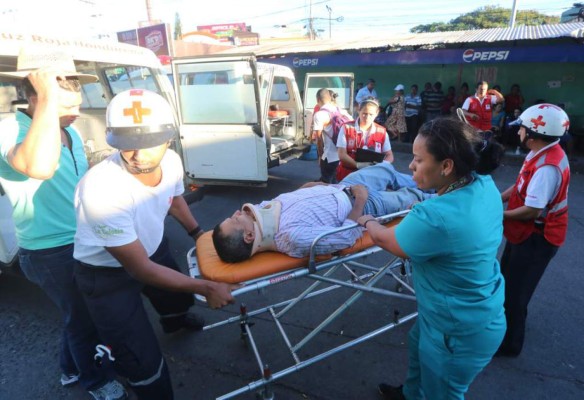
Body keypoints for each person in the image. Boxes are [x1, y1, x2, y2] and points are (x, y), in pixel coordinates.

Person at [73, 89, 239, 400]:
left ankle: (174, 321)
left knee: (176, 301)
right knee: (139, 358)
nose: (136, 155)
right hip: (105, 272)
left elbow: (173, 199)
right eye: (126, 146)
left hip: (151, 247)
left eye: (147, 145)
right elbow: (140, 269)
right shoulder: (101, 189)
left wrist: (198, 234)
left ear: (168, 139)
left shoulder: (172, 162)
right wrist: (204, 287)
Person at [0, 47, 127, 400]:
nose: (76, 114)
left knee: (78, 314)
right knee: (83, 317)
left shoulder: (66, 130)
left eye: (77, 105)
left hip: (82, 237)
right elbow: (39, 167)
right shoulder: (9, 129)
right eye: (65, 106)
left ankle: (71, 368)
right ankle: (95, 381)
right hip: (48, 249)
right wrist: (44, 100)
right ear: (34, 97)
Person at [358, 117, 507, 400]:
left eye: (417, 159)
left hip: (458, 331)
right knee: (418, 351)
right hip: (454, 313)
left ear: (446, 166)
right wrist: (427, 207)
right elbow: (448, 216)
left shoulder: (434, 217)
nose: (411, 166)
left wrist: (365, 219)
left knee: (444, 393)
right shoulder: (482, 183)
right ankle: (411, 395)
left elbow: (385, 239)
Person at [212, 162, 430, 262]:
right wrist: (361, 201)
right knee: (414, 196)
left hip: (345, 187)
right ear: (249, 236)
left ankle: (428, 181)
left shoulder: (261, 214)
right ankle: (448, 194)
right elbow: (345, 236)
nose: (236, 213)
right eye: (235, 220)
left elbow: (288, 202)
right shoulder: (291, 237)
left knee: (385, 169)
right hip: (366, 204)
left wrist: (308, 187)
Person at [498, 104, 570, 358]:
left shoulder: (547, 167)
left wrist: (497, 215)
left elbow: (532, 210)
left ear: (534, 133)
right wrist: (498, 200)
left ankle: (509, 345)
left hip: (538, 238)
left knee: (516, 293)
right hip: (526, 234)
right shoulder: (540, 153)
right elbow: (519, 186)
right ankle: (503, 328)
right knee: (506, 282)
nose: (518, 132)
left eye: (522, 128)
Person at [336, 98, 394, 181]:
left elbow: (389, 155)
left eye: (371, 114)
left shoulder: (382, 131)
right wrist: (358, 165)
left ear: (377, 113)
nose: (367, 117)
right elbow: (341, 154)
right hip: (347, 175)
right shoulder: (346, 127)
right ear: (358, 111)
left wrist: (381, 165)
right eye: (364, 113)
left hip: (371, 177)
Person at [312, 88, 344, 183]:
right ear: (330, 98)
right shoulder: (339, 110)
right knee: (337, 183)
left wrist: (320, 157)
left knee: (326, 184)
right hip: (342, 154)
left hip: (329, 156)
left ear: (318, 100)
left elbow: (319, 139)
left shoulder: (319, 114)